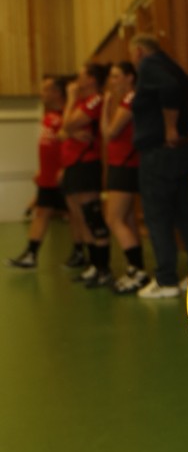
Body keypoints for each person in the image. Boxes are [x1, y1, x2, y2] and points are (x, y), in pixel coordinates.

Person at [129, 34, 188, 299]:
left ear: (139, 51)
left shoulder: (149, 66)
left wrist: (171, 127)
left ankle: (166, 279)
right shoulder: (173, 66)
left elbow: (170, 89)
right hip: (179, 154)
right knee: (184, 214)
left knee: (158, 216)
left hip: (159, 154)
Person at [7, 75, 70, 268]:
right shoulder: (48, 117)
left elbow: (71, 146)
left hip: (64, 178)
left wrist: (65, 168)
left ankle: (83, 254)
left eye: (45, 89)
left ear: (56, 92)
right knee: (42, 213)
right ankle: (31, 255)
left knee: (76, 217)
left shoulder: (67, 117)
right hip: (47, 178)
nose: (41, 94)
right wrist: (43, 172)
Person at [60, 62, 113, 287]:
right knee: (79, 216)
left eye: (81, 76)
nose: (77, 81)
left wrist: (70, 100)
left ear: (92, 79)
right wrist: (70, 130)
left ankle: (103, 268)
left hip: (86, 163)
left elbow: (67, 124)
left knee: (91, 216)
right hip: (73, 164)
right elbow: (62, 131)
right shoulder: (82, 102)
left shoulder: (94, 100)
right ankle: (93, 265)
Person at [101, 61, 149, 293]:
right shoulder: (126, 99)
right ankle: (135, 269)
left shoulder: (130, 98)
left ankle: (138, 270)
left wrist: (105, 105)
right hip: (121, 165)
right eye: (111, 77)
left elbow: (109, 132)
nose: (112, 82)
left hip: (125, 165)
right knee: (127, 219)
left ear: (130, 77)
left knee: (114, 219)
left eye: (116, 76)